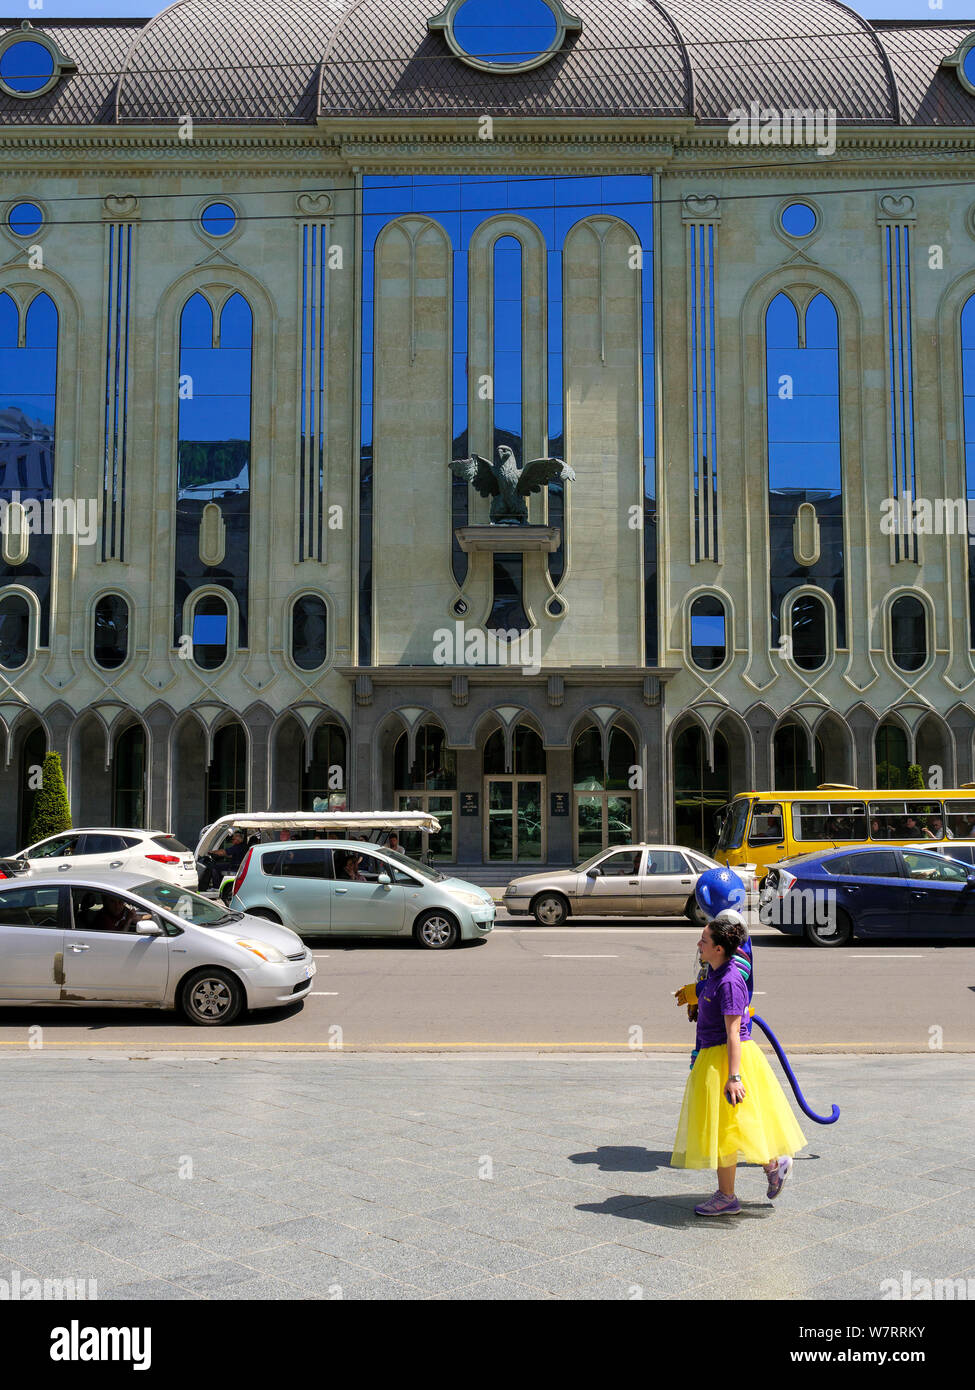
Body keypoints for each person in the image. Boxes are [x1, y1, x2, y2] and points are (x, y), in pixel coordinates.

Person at [671, 912, 807, 1215]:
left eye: (704, 940)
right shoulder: (714, 972)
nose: (699, 944)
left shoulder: (731, 980)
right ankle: (768, 1167)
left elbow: (734, 1032)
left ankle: (729, 1193)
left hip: (728, 1059)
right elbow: (710, 1006)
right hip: (713, 1054)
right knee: (732, 1125)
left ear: (719, 947)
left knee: (729, 1127)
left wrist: (734, 1076)